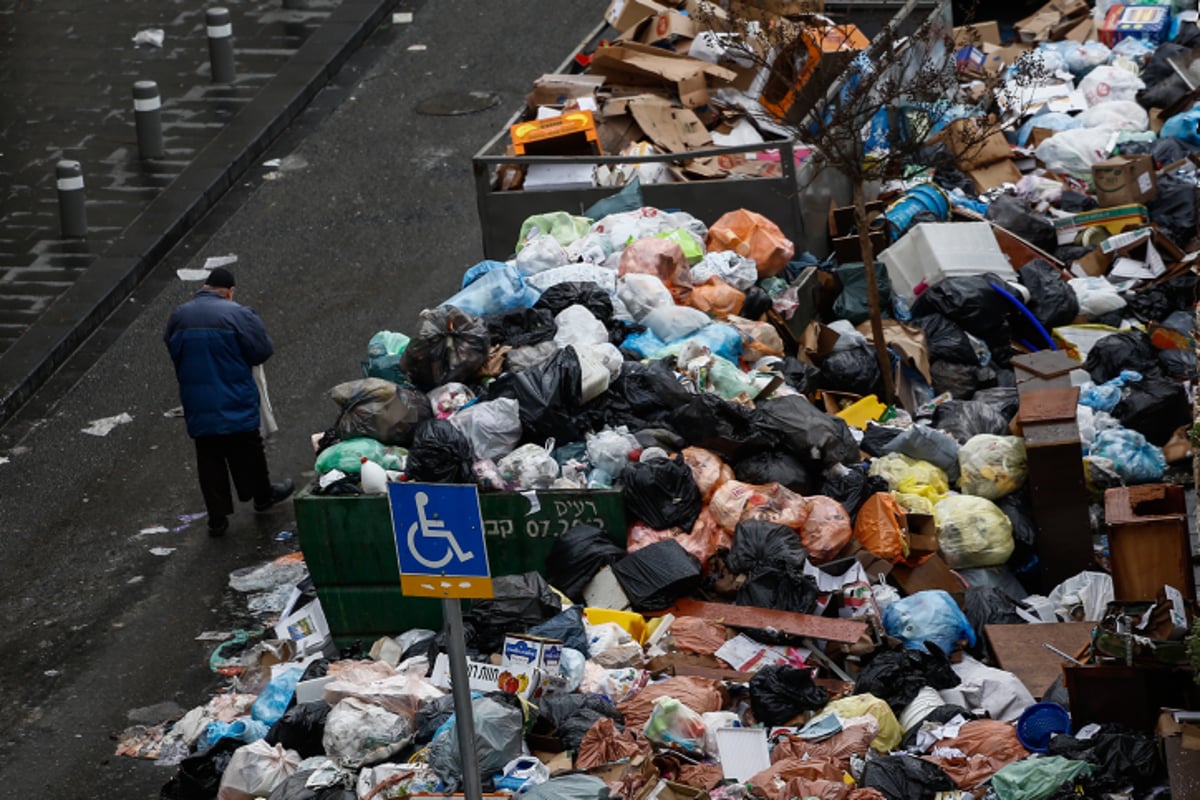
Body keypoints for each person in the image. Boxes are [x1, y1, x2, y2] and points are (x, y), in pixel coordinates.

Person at [164, 267, 293, 536]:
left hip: (197, 399)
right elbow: (261, 351)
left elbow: (172, 346)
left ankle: (217, 518)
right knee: (248, 447)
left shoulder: (180, 315)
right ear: (230, 292)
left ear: (206, 287)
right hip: (234, 395)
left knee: (209, 455)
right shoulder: (239, 314)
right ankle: (261, 496)